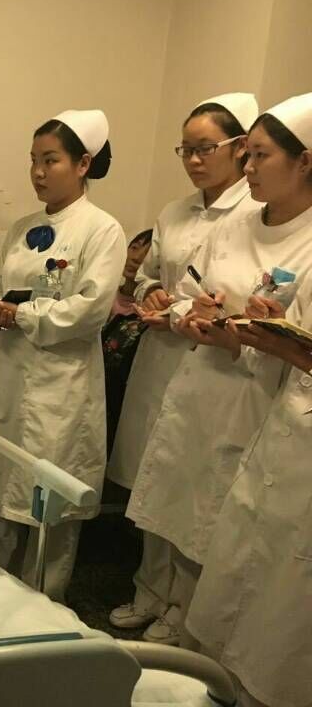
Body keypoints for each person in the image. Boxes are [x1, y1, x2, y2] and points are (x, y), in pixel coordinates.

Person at [126, 92, 312, 649]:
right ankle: (159, 599)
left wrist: (246, 338)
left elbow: (300, 344)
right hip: (199, 381)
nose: (247, 168)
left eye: (260, 156)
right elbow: (191, 290)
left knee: (216, 518)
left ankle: (191, 623)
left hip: (253, 401)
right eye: (247, 154)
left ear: (304, 162)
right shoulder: (237, 224)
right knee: (176, 497)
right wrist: (193, 313)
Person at [0, 109, 126, 602]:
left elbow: (91, 309)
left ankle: (44, 605)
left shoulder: (102, 230)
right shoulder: (21, 227)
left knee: (49, 502)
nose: (38, 172)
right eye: (33, 160)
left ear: (83, 164)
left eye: (51, 160)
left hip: (59, 384)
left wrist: (23, 315)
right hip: (5, 373)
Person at [106, 93, 260, 644]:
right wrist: (151, 292)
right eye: (186, 150)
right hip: (160, 359)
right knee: (154, 479)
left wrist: (175, 307)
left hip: (210, 366)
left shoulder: (252, 214)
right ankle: (149, 589)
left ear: (240, 147)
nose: (193, 160)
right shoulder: (174, 211)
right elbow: (148, 273)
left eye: (205, 148)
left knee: (193, 490)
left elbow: (224, 297)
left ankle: (182, 606)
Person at [180, 279, 312, 707]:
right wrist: (271, 332)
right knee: (234, 598)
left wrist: (300, 356)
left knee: (281, 634)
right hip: (277, 447)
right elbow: (284, 367)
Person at [102, 228, 152, 455]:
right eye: (134, 248)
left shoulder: (149, 314)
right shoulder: (104, 294)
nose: (136, 258)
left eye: (147, 253)